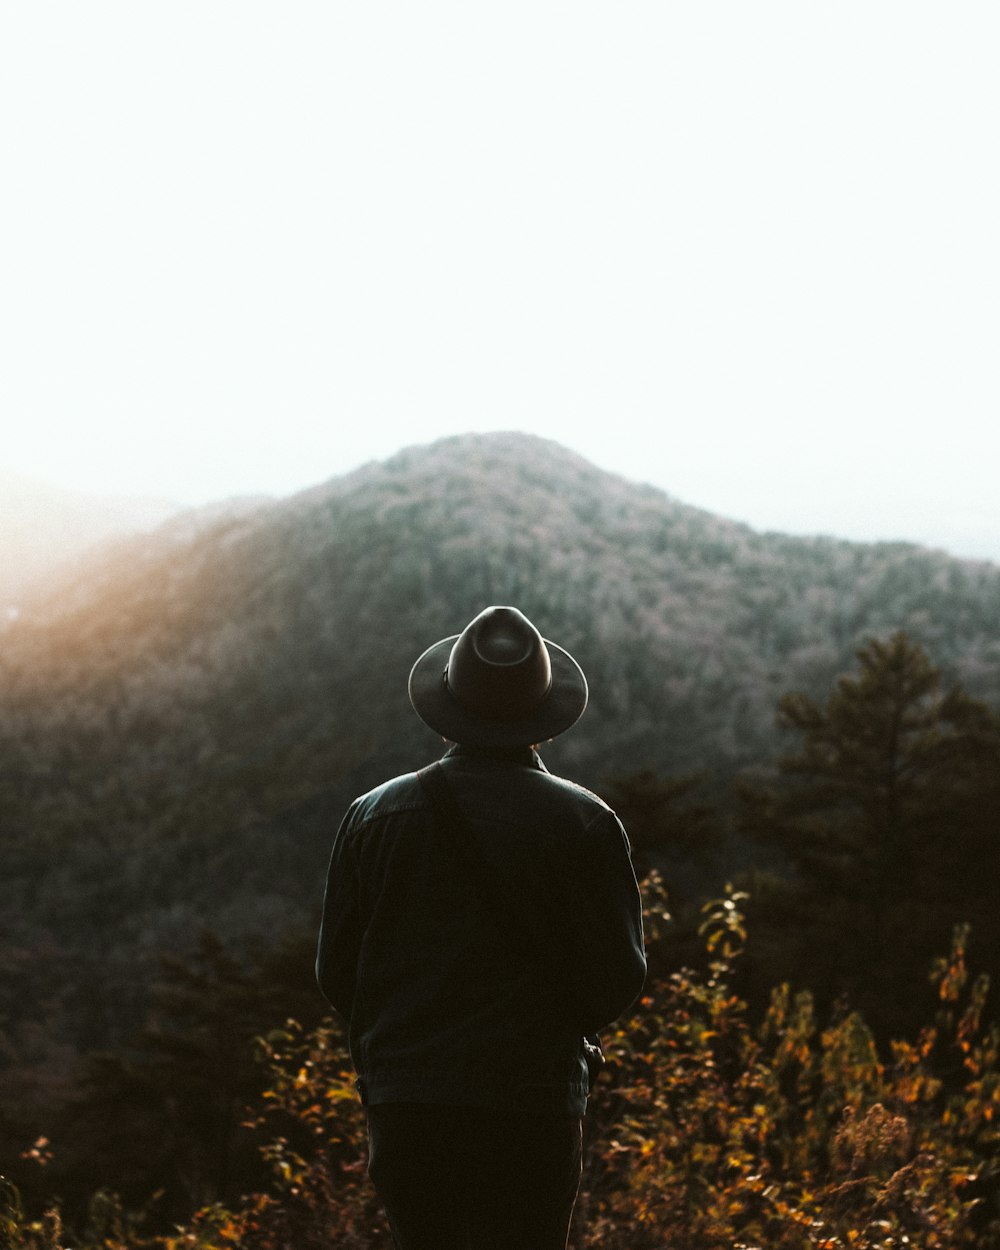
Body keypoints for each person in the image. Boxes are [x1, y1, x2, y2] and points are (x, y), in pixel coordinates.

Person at [316, 605, 646, 1249]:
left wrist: (397, 1046)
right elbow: (617, 980)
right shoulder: (586, 824)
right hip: (535, 1102)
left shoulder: (372, 816)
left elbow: (336, 972)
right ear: (543, 715)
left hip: (407, 1101)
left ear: (447, 701)